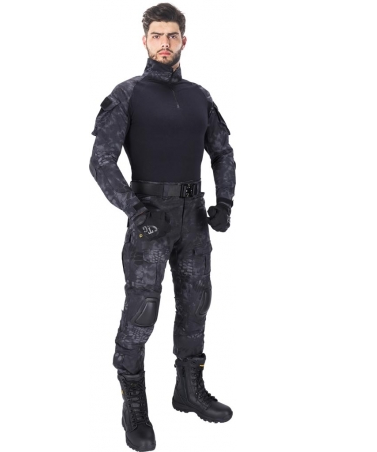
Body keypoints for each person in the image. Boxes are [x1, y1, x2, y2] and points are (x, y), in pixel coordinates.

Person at [89, 3, 236, 451]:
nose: (165, 43)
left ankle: (188, 389)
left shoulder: (199, 96)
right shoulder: (128, 94)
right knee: (142, 311)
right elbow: (101, 162)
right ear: (145, 41)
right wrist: (135, 211)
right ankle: (133, 406)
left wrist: (225, 202)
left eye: (172, 35)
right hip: (149, 218)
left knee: (196, 303)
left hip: (194, 218)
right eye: (157, 35)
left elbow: (222, 152)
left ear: (184, 41)